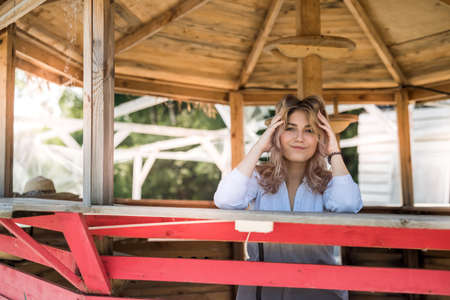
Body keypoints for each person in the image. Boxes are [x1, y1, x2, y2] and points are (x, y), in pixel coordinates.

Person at [214, 94, 363, 300]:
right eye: (290, 128)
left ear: (320, 136)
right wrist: (260, 146)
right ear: (276, 134)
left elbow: (349, 204)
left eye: (309, 130)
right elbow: (225, 199)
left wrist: (334, 150)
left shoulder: (330, 181)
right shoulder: (258, 176)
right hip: (263, 291)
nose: (299, 138)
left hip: (318, 291)